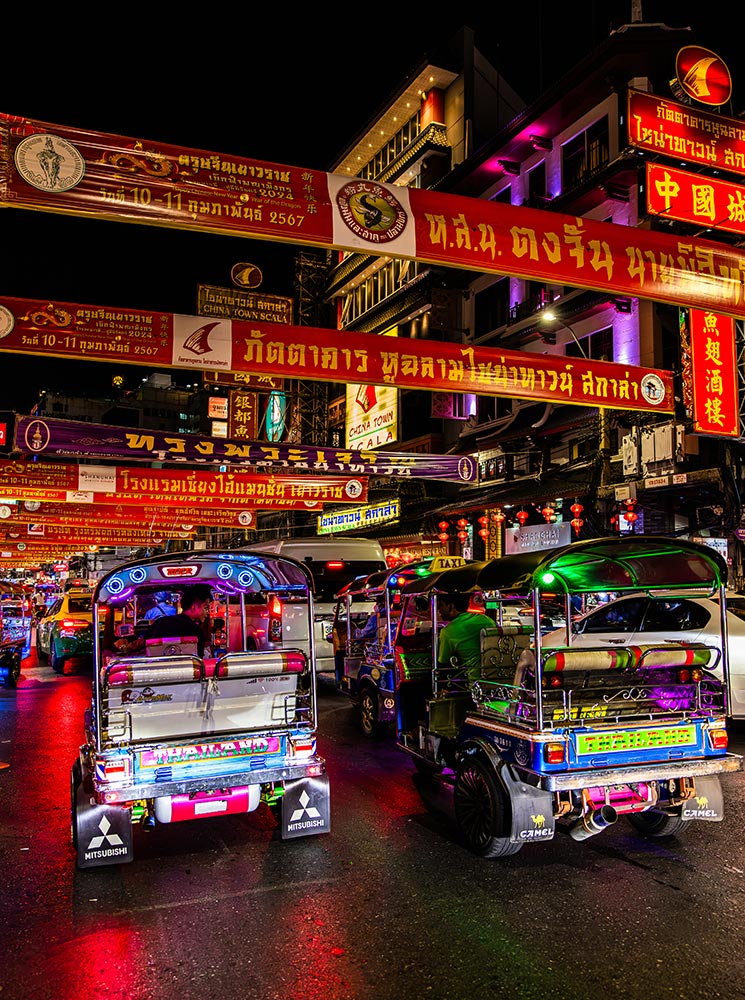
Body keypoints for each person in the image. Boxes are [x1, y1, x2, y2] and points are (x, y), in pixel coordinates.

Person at [115, 584, 213, 656]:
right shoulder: (197, 631)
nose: (207, 612)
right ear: (194, 607)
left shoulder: (160, 623)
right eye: (206, 608)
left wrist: (126, 648)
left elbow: (144, 643)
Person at [436, 592, 488, 682]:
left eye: (441, 605)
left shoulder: (448, 632)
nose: (438, 610)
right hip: (499, 681)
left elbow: (443, 665)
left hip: (474, 685)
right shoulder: (486, 620)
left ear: (451, 606)